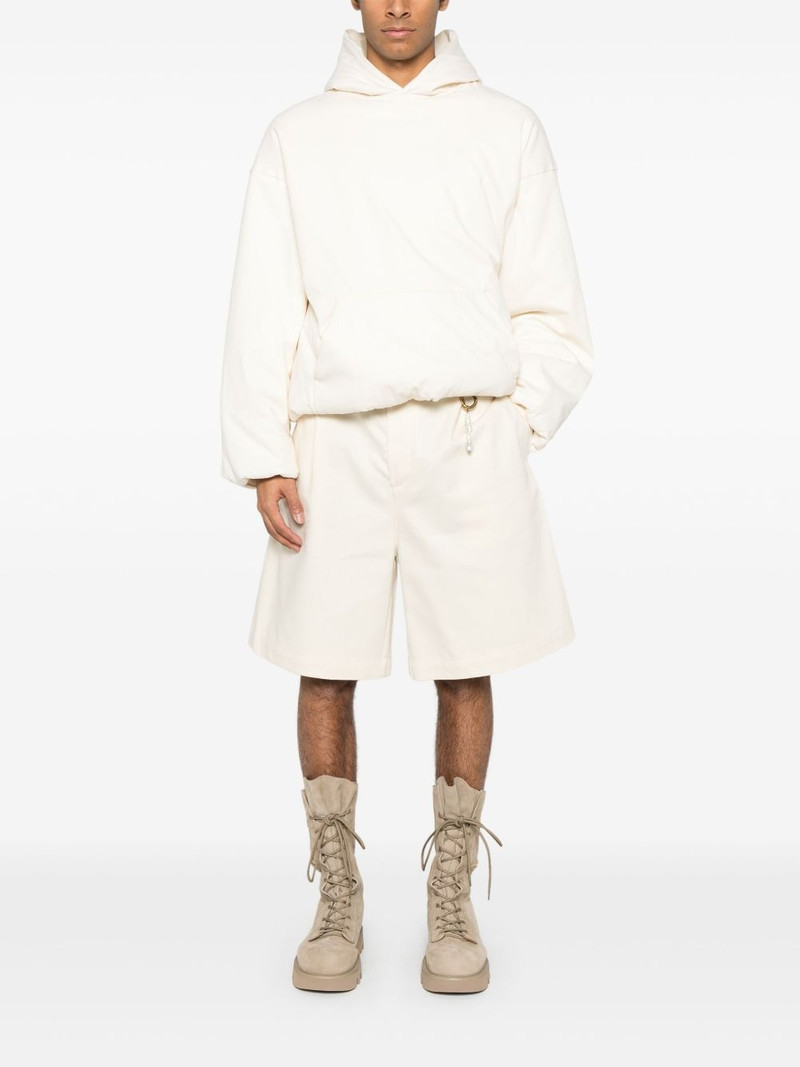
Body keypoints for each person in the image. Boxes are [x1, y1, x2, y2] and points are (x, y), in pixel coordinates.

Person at [219, 0, 593, 995]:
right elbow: (263, 300)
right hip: (334, 436)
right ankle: (337, 893)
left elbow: (550, 302)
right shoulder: (298, 135)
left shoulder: (505, 127)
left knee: (465, 659)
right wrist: (264, 453)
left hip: (465, 434)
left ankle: (451, 894)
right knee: (323, 660)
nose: (396, 5)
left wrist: (517, 421)